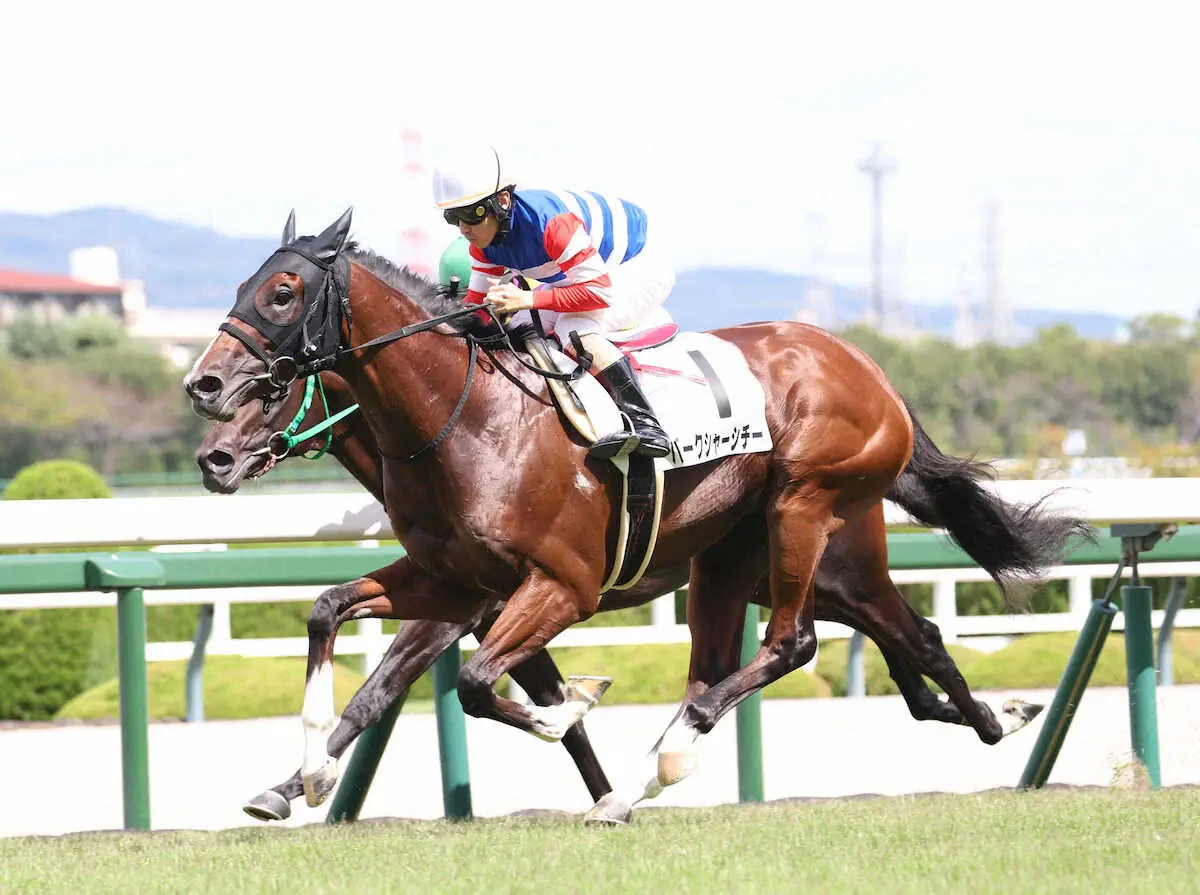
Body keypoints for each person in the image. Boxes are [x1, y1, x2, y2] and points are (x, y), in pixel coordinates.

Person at [431, 146, 673, 460]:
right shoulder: (482, 243)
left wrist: (528, 298)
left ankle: (647, 424)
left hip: (635, 266)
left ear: (502, 201)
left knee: (575, 330)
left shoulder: (552, 225)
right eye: (453, 217)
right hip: (583, 274)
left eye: (472, 214)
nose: (464, 228)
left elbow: (599, 293)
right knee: (519, 326)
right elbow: (475, 309)